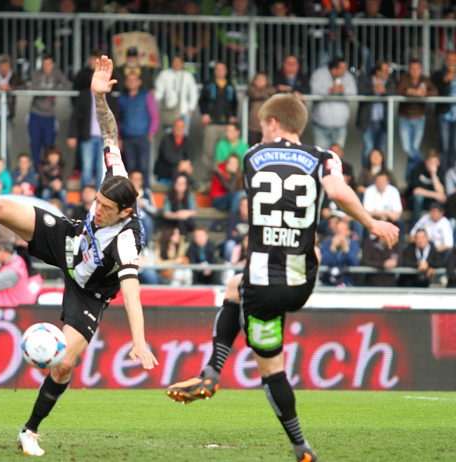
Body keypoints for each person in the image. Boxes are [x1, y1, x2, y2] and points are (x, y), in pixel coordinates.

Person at [0, 55, 157, 457]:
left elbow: (131, 293)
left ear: (126, 213)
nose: (96, 208)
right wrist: (98, 97)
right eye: (96, 202)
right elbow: (110, 132)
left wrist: (139, 341)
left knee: (62, 366)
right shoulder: (115, 183)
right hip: (68, 240)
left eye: (104, 208)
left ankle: (29, 429)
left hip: (90, 291)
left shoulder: (127, 242)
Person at [166, 93, 398, 462]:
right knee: (284, 261)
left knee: (270, 368)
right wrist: (371, 222)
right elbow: (337, 192)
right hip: (302, 283)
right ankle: (214, 373)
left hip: (261, 289)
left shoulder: (252, 155)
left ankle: (224, 381)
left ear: (272, 124)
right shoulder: (323, 158)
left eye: (263, 123)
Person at [27, 52, 71, 168]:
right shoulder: (36, 73)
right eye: (44, 64)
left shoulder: (57, 73)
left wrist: (56, 93)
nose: (46, 67)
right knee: (35, 146)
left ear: (53, 64)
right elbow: (34, 89)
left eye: (48, 64)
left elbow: (67, 86)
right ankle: (37, 173)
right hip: (35, 114)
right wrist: (49, 95)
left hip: (49, 116)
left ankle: (48, 172)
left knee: (49, 147)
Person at [397, 59, 438, 180]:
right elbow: (399, 90)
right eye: (412, 69)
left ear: (421, 70)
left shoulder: (425, 80)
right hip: (405, 118)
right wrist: (409, 91)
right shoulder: (404, 79)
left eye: (417, 69)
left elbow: (435, 91)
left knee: (413, 149)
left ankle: (410, 178)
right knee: (408, 149)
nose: (414, 71)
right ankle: (426, 163)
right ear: (409, 69)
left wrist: (424, 93)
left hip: (419, 118)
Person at [118, 72, 159, 189]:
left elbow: (154, 115)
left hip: (143, 136)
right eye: (129, 80)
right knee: (130, 167)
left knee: (144, 166)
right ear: (125, 83)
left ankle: (146, 192)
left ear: (139, 82)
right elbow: (118, 120)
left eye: (134, 80)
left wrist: (152, 132)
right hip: (127, 138)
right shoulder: (122, 98)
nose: (131, 82)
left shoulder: (146, 95)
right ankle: (131, 192)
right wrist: (119, 138)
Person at [199, 62, 238, 182]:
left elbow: (235, 103)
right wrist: (205, 114)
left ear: (226, 71)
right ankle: (207, 180)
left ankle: (226, 179)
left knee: (224, 152)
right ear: (214, 71)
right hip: (212, 124)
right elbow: (201, 102)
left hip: (226, 126)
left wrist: (233, 116)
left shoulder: (230, 86)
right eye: (218, 69)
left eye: (222, 69)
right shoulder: (208, 85)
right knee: (208, 153)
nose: (220, 71)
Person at [309, 56, 357, 150]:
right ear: (334, 69)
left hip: (340, 125)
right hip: (321, 125)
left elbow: (354, 92)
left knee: (337, 156)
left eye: (345, 68)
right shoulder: (319, 74)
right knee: (321, 155)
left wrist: (344, 90)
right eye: (342, 68)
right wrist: (329, 90)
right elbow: (314, 90)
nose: (344, 71)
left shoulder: (347, 76)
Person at [356, 60, 396, 167]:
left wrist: (385, 92)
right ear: (378, 72)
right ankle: (366, 173)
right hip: (367, 122)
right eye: (386, 70)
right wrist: (373, 90)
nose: (388, 72)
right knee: (369, 148)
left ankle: (378, 175)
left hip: (383, 123)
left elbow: (395, 91)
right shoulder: (365, 79)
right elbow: (360, 90)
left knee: (380, 150)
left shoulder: (389, 81)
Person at [154, 53, 199, 133]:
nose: (177, 64)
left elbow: (193, 93)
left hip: (184, 111)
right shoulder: (164, 74)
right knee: (169, 136)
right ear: (171, 63)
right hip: (169, 110)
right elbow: (159, 92)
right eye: (175, 61)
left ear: (183, 64)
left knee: (183, 136)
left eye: (179, 62)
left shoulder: (188, 76)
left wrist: (191, 108)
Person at [406, 149, 447, 225]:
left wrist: (433, 174)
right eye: (430, 162)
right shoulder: (417, 169)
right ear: (426, 162)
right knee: (419, 197)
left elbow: (441, 193)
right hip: (413, 201)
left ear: (438, 163)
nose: (432, 165)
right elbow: (416, 191)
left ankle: (436, 225)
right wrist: (435, 194)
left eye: (434, 162)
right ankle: (416, 224)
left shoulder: (440, 171)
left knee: (440, 200)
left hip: (430, 202)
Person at [431, 51, 456, 171]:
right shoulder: (439, 74)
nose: (452, 63)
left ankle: (452, 177)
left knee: (454, 147)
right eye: (450, 60)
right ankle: (444, 176)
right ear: (446, 62)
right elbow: (435, 90)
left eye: (454, 60)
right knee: (445, 147)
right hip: (444, 115)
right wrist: (446, 81)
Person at [154, 118, 196, 186]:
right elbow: (169, 156)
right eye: (177, 126)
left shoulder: (187, 140)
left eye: (181, 126)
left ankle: (190, 182)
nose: (179, 128)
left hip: (181, 171)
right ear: (173, 127)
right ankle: (191, 182)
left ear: (184, 128)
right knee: (176, 168)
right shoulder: (166, 139)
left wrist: (187, 165)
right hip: (165, 171)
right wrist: (183, 165)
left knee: (182, 170)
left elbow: (191, 155)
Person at [320, 220, 360, 286]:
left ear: (348, 232)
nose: (339, 232)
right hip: (329, 282)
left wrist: (346, 249)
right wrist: (332, 248)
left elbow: (354, 263)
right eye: (338, 229)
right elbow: (324, 262)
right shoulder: (327, 243)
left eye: (342, 229)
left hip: (347, 283)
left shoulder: (353, 244)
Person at [247, 72, 277, 146]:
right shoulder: (251, 90)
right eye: (258, 79)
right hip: (253, 126)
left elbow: (274, 90)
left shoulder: (271, 90)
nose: (260, 81)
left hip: (266, 125)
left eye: (262, 79)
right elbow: (255, 95)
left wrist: (264, 91)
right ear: (254, 81)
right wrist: (265, 93)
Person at [162, 173, 197, 237]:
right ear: (174, 184)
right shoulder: (169, 196)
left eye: (183, 183)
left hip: (187, 222)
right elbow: (166, 213)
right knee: (180, 221)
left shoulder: (190, 196)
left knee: (183, 221)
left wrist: (185, 213)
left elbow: (194, 211)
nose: (181, 185)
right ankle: (182, 241)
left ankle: (182, 240)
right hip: (173, 222)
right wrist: (177, 215)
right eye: (179, 183)